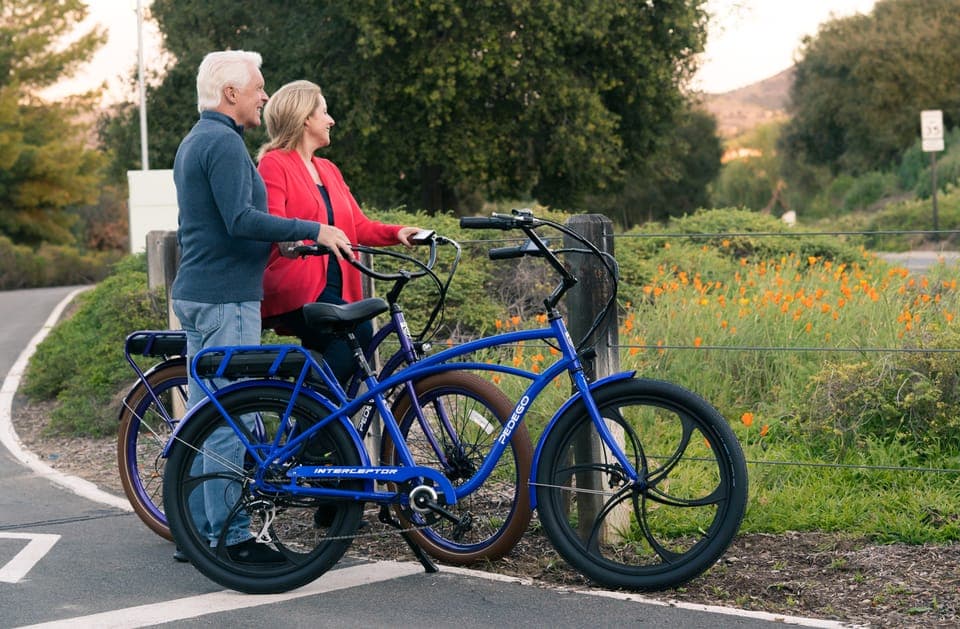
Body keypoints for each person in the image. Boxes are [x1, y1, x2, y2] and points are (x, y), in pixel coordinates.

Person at [170, 51, 348, 564]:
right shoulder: (223, 143)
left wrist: (281, 245)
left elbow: (224, 227)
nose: (264, 97)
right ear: (230, 94)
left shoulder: (197, 139)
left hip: (203, 291)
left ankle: (200, 533)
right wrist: (310, 229)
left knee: (206, 417)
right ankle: (234, 540)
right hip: (226, 299)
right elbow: (241, 219)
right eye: (258, 88)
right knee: (231, 420)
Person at [256, 79, 422, 383]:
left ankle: (319, 420)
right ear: (305, 118)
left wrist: (397, 233)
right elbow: (272, 225)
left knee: (356, 343)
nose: (331, 120)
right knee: (355, 336)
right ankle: (313, 423)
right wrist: (314, 232)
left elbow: (357, 226)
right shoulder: (274, 164)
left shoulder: (328, 169)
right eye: (324, 112)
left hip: (336, 288)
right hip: (299, 287)